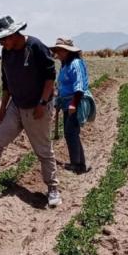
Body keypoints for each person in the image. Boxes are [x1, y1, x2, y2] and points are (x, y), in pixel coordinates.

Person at [0, 16, 61, 208]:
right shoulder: (6, 53)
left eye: (3, 39)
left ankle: (52, 188)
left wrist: (42, 103)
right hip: (16, 106)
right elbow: (6, 83)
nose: (1, 43)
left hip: (37, 107)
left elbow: (50, 78)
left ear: (14, 34)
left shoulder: (36, 47)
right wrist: (1, 109)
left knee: (43, 150)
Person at [50, 38, 95, 174]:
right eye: (56, 50)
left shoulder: (75, 63)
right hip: (66, 103)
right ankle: (79, 163)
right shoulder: (65, 65)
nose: (57, 53)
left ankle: (78, 164)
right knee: (71, 133)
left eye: (60, 50)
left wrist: (73, 105)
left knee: (71, 132)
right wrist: (58, 102)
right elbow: (62, 86)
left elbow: (79, 86)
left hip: (76, 102)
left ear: (67, 51)